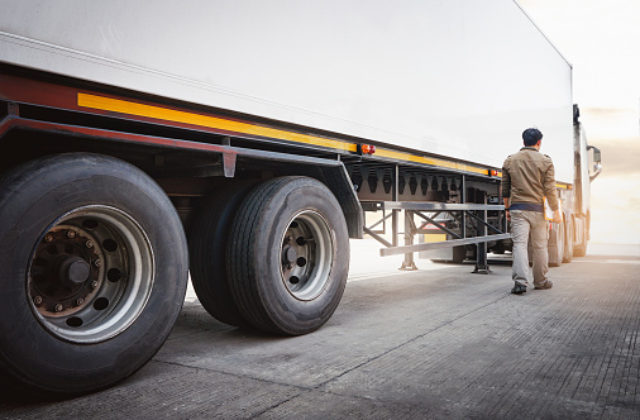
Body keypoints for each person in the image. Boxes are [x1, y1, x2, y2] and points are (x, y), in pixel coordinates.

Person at [501, 128, 562, 295]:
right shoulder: (546, 161)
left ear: (523, 142)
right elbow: (550, 189)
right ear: (539, 142)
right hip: (539, 211)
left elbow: (505, 189)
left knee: (519, 245)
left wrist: (507, 208)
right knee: (540, 246)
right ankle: (541, 281)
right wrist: (555, 210)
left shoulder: (510, 161)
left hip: (518, 209)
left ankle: (520, 283)